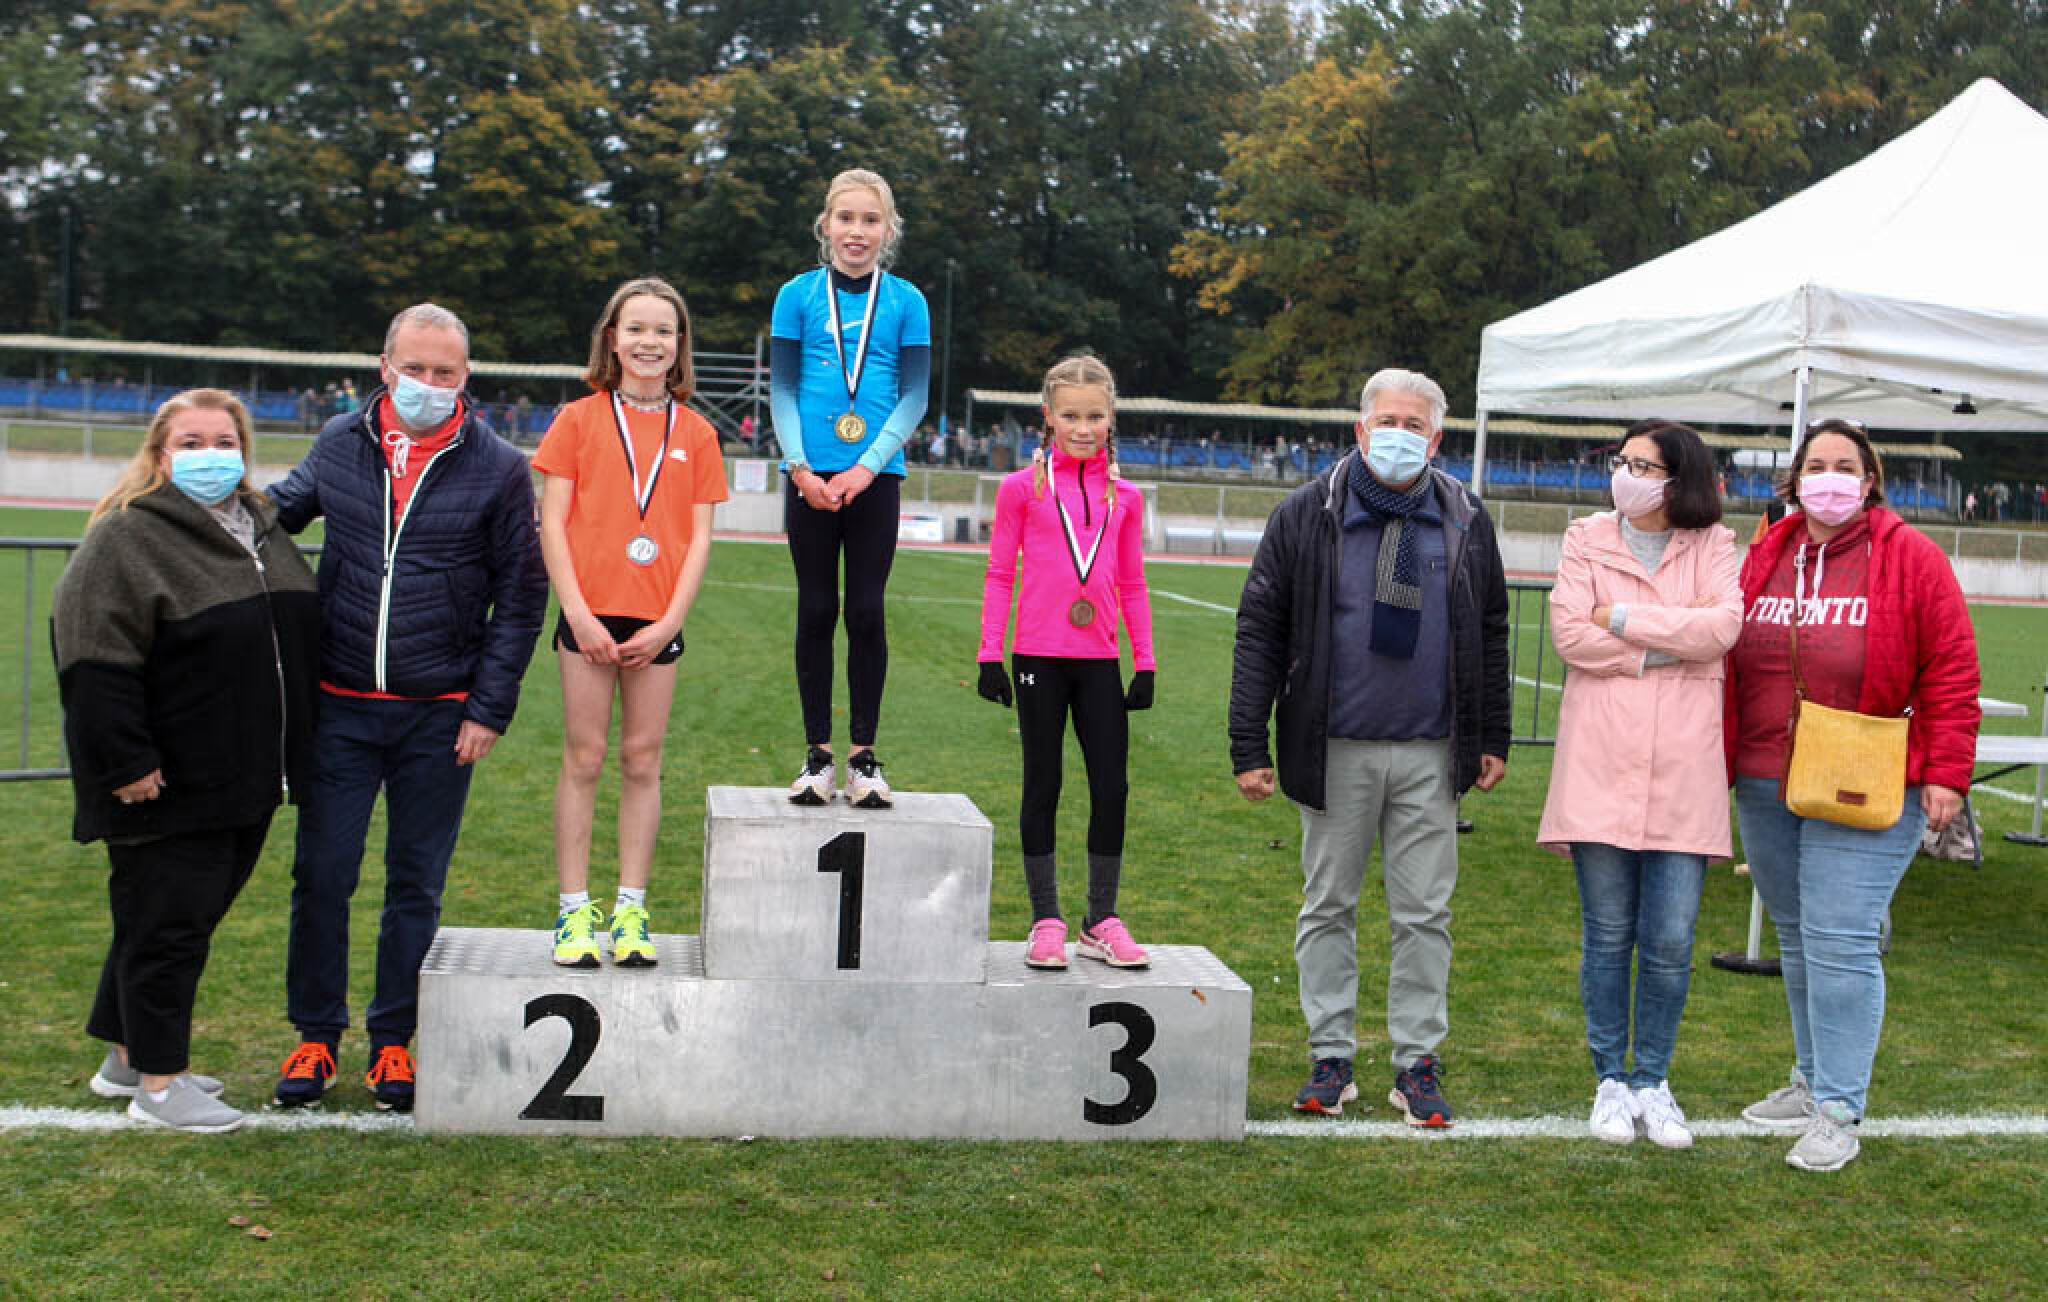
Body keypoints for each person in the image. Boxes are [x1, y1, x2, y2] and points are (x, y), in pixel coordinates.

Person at [267, 303, 548, 1112]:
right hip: (340, 707)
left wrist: (487, 709)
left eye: (445, 372)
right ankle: (316, 1035)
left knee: (415, 884)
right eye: (415, 368)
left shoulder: (498, 466)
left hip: (441, 714)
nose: (429, 383)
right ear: (385, 367)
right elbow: (272, 517)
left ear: (467, 377)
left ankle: (394, 1039)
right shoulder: (339, 441)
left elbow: (520, 598)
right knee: (323, 875)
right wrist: (179, 509)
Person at [1229, 367, 1510, 1126]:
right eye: (1387, 421)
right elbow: (1260, 627)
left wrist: (1492, 733)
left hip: (1431, 752)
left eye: (1414, 424)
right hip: (1334, 748)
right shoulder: (1305, 511)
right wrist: (1247, 741)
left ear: (1436, 439)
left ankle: (1417, 1062)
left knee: (1425, 915)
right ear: (1359, 429)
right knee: (1328, 905)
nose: (1399, 434)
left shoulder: (1464, 515)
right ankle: (1331, 1056)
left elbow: (1490, 630)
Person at [53, 389, 321, 1133]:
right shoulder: (126, 536)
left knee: (173, 920)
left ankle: (127, 1055)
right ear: (160, 454)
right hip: (166, 779)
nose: (211, 455)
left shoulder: (261, 528)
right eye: (192, 443)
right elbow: (92, 660)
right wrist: (125, 762)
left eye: (224, 441)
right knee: (166, 929)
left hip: (244, 775)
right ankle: (161, 1085)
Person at [1725, 418, 1979, 1171]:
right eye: (1816, 466)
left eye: (1845, 466)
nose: (1829, 479)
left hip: (1867, 772)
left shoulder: (1912, 557)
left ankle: (1839, 1108)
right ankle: (1811, 1079)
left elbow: (1952, 666)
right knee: (1799, 935)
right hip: (1767, 774)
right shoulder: (1768, 552)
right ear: (1794, 479)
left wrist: (1947, 772)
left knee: (1841, 938)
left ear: (1869, 481)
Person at [1537, 419, 1742, 1148]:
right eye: (1623, 461)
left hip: (1684, 768)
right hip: (1600, 761)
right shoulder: (1586, 537)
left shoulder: (1714, 545)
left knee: (1670, 939)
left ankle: (1653, 1079)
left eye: (1644, 465)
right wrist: (1665, 644)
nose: (1626, 474)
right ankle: (1610, 1081)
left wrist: (1620, 619)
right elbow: (1570, 635)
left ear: (1679, 478)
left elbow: (1720, 629)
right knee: (1607, 934)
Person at [535, 278, 728, 968]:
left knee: (643, 760)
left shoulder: (698, 433)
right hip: (587, 614)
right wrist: (577, 613)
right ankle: (573, 912)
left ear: (680, 345)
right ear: (612, 340)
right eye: (637, 329)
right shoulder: (577, 420)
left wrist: (670, 621)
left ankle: (631, 910)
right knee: (584, 757)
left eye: (664, 331)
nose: (650, 342)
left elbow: (699, 539)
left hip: (656, 620)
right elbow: (552, 522)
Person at [977, 355, 1158, 970]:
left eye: (1095, 416)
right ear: (1048, 417)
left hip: (1100, 659)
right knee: (1043, 783)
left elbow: (1132, 583)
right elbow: (1000, 575)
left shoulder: (1125, 497)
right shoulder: (1020, 490)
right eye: (1071, 416)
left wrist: (1146, 661)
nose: (1084, 428)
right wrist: (990, 654)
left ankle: (1100, 918)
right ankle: (1046, 919)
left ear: (1111, 419)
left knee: (1113, 787)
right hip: (1037, 658)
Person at [771, 168, 931, 808]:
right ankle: (817, 756)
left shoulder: (908, 302)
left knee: (866, 610)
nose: (856, 231)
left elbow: (915, 395)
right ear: (826, 225)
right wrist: (799, 467)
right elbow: (783, 390)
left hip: (876, 479)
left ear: (888, 230)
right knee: (815, 609)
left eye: (870, 220)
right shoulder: (796, 295)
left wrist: (867, 466)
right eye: (846, 218)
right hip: (807, 477)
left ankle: (864, 759)